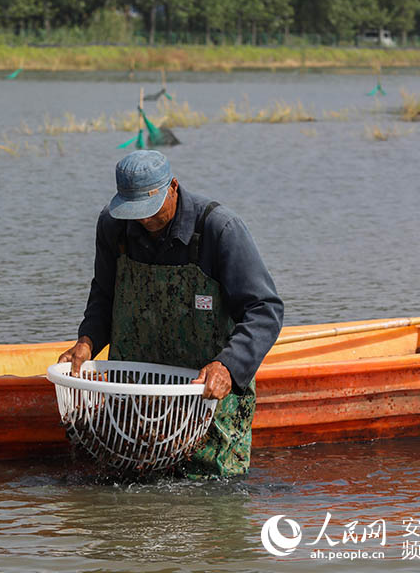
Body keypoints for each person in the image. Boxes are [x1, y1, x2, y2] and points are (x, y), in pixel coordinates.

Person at [57, 150, 283, 477]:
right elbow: (104, 295)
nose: (144, 221)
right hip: (136, 398)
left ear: (173, 187)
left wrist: (228, 365)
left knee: (212, 500)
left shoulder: (219, 229)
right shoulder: (113, 227)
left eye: (151, 211)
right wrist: (87, 341)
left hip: (206, 399)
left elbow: (264, 309)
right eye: (134, 212)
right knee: (127, 488)